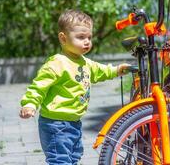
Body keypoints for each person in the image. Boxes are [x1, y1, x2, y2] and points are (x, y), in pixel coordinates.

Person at [19, 9, 130, 164]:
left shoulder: (84, 62)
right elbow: (39, 85)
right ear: (63, 38)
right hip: (55, 124)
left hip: (75, 122)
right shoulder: (57, 62)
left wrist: (117, 70)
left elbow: (101, 70)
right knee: (60, 160)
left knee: (74, 157)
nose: (87, 41)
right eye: (80, 37)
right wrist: (30, 103)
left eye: (89, 37)